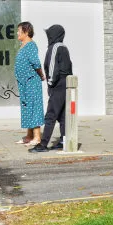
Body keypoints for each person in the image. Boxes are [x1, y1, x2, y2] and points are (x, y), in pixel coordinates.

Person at [30, 24, 73, 153]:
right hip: (66, 84)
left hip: (58, 84)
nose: (48, 36)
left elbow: (53, 68)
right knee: (62, 115)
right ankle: (63, 141)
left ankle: (43, 144)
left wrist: (50, 84)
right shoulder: (63, 47)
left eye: (49, 34)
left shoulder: (55, 47)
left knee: (51, 115)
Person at [14, 21, 45, 147]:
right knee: (26, 107)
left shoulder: (31, 45)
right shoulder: (23, 45)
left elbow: (36, 63)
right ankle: (28, 136)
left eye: (19, 31)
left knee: (33, 107)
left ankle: (37, 137)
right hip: (24, 83)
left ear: (26, 32)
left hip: (31, 81)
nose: (17, 33)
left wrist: (41, 75)